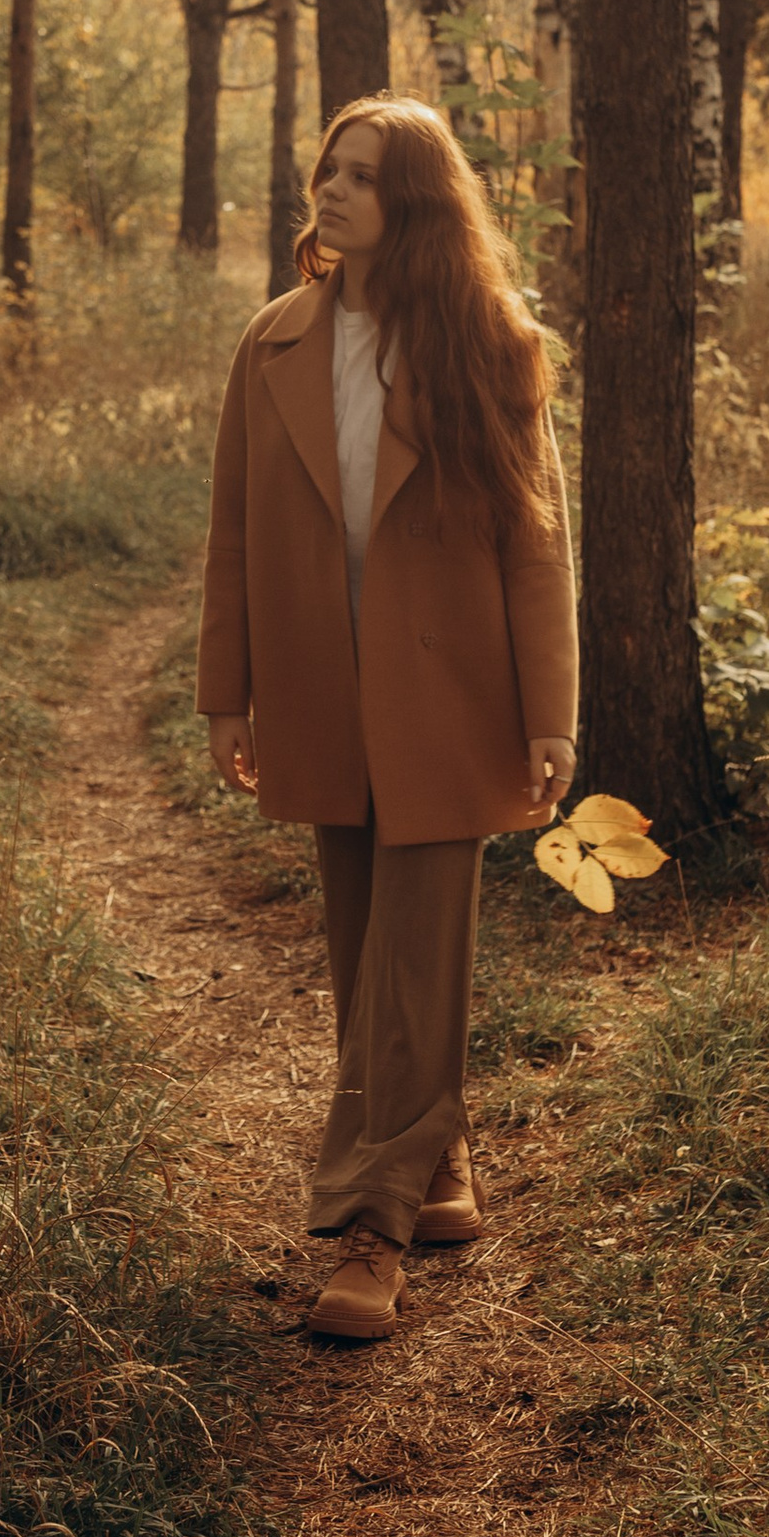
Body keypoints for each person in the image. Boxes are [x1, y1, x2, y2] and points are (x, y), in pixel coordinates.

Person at [196, 96, 578, 1343]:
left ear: (412, 203)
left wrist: (547, 714)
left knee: (413, 957)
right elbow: (235, 536)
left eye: (362, 175)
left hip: (448, 699)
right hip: (319, 691)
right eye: (328, 169)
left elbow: (535, 550)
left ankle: (369, 1226)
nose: (333, 189)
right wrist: (226, 694)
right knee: (366, 951)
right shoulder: (272, 347)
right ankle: (442, 1160)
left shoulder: (490, 347)